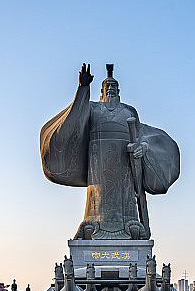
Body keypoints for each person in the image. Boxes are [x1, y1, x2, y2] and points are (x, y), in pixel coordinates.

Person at [40, 64, 180, 240]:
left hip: (124, 164)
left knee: (126, 199)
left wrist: (141, 147)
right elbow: (76, 116)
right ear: (102, 90)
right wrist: (83, 88)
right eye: (107, 87)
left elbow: (140, 135)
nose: (110, 90)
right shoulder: (93, 108)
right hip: (98, 160)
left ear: (118, 90)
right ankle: (94, 224)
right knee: (97, 198)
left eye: (113, 87)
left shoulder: (129, 111)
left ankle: (129, 226)